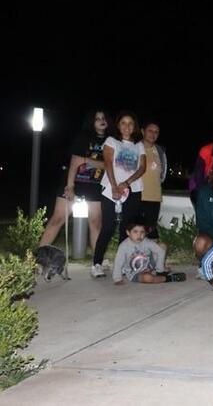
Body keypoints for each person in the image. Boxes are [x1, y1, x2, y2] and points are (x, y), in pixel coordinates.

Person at [39, 110, 109, 250]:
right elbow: (74, 162)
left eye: (103, 118)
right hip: (74, 181)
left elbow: (108, 165)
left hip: (95, 186)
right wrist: (70, 186)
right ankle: (39, 256)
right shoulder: (83, 137)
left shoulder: (111, 141)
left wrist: (86, 160)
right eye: (97, 118)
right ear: (91, 122)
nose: (101, 120)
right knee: (58, 219)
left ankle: (97, 261)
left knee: (96, 223)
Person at [92, 111, 146, 278]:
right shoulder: (111, 141)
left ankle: (122, 265)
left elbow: (142, 168)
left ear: (134, 127)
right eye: (123, 123)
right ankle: (97, 263)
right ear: (118, 125)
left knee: (127, 229)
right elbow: (108, 162)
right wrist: (115, 185)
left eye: (130, 123)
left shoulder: (139, 145)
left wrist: (126, 183)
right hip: (111, 190)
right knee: (108, 227)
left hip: (133, 190)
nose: (127, 126)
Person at [112, 218, 185, 285]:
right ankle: (169, 278)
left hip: (149, 266)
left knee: (162, 246)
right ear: (128, 232)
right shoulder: (124, 246)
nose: (139, 235)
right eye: (135, 232)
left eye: (142, 232)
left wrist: (160, 270)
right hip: (135, 273)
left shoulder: (146, 241)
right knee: (148, 278)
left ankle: (160, 272)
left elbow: (160, 251)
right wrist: (117, 278)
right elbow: (118, 262)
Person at [139, 120, 167, 240]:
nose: (153, 134)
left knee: (151, 230)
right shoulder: (135, 148)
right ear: (142, 131)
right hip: (137, 196)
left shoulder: (160, 151)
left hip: (154, 197)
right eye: (150, 130)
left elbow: (163, 174)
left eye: (156, 132)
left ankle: (150, 257)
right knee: (137, 230)